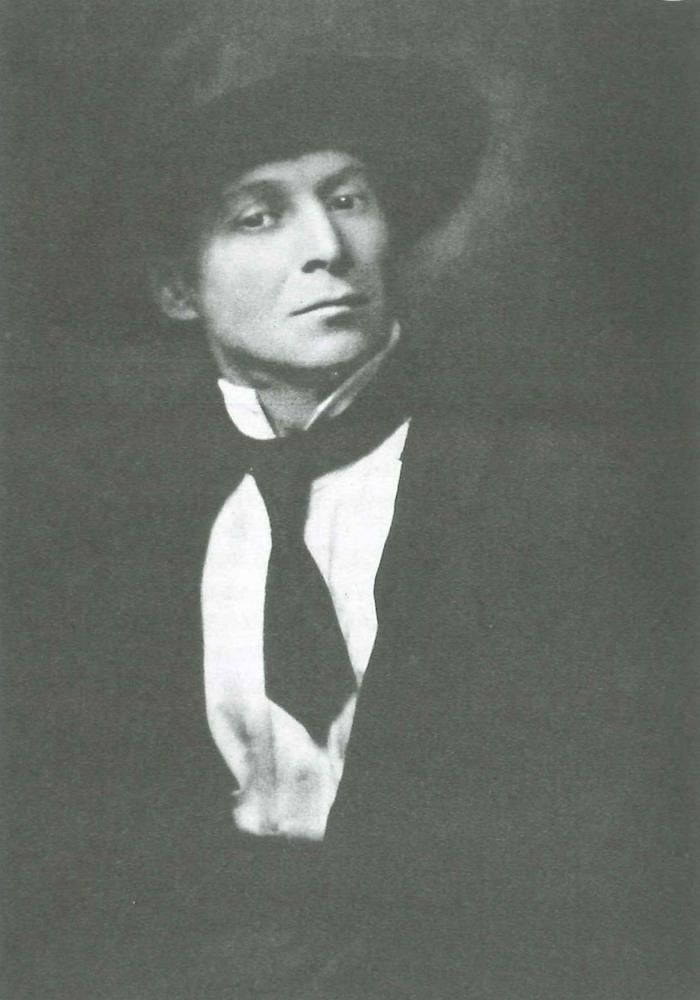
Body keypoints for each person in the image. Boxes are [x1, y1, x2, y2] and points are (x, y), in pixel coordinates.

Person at [90, 44, 685, 1000]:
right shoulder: (135, 520)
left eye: (349, 197)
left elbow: (607, 845)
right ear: (176, 288)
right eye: (258, 215)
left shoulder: (543, 485)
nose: (327, 246)